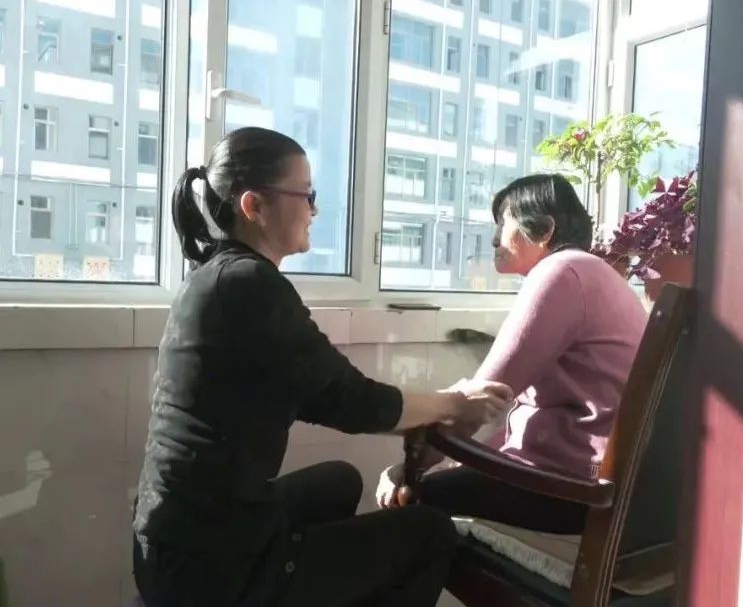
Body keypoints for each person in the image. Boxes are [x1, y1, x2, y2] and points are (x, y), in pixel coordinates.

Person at [131, 126, 513, 607]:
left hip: (177, 542)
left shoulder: (216, 276)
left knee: (339, 481)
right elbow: (353, 402)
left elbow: (323, 394)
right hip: (211, 568)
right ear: (254, 205)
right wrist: (455, 404)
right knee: (430, 532)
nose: (314, 210)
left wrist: (435, 409)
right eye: (306, 195)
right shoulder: (249, 285)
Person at [377, 174, 648, 535]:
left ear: (544, 230)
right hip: (601, 480)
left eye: (503, 224)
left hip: (575, 486)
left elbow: (483, 398)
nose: (494, 239)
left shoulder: (560, 272)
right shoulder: (592, 273)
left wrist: (410, 467)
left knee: (411, 501)